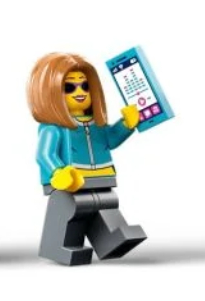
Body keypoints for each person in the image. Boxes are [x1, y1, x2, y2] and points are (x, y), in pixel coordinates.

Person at [28, 52, 145, 265]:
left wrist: (126, 124)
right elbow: (44, 154)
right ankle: (60, 246)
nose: (80, 92)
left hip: (100, 175)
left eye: (85, 86)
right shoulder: (53, 128)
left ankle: (112, 238)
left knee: (106, 203)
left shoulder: (94, 122)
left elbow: (110, 139)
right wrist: (57, 171)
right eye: (69, 88)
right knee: (73, 207)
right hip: (70, 180)